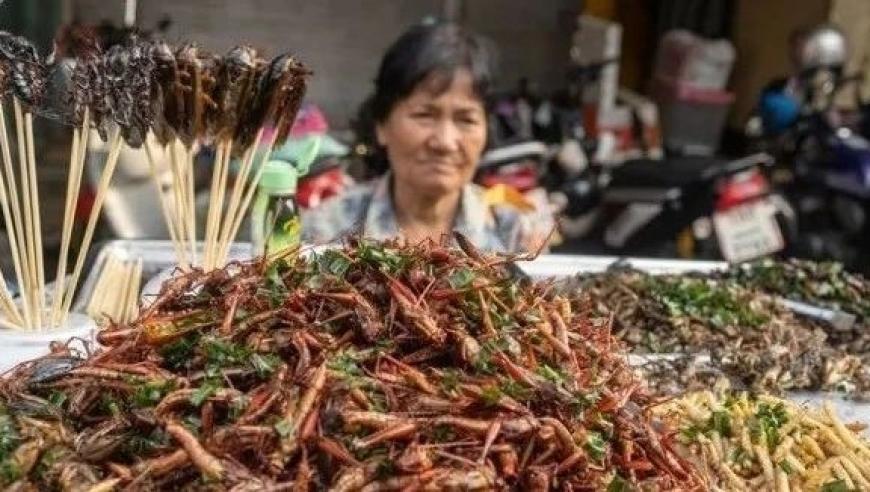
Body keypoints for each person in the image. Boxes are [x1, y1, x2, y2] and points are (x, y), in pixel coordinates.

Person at [302, 22, 553, 252]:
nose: (445, 142)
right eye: (425, 115)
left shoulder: (516, 236)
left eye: (466, 119)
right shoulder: (325, 233)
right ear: (381, 125)